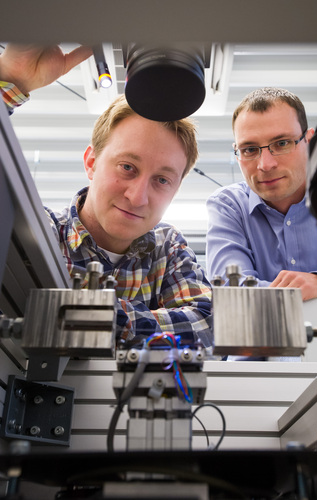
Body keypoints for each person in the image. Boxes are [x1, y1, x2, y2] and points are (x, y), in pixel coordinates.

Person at [0, 44, 212, 346]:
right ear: (91, 162)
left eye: (162, 180)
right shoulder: (39, 232)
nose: (138, 197)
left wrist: (91, 317)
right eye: (127, 166)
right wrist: (12, 80)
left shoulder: (168, 248)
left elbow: (205, 323)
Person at [206, 87, 317, 301]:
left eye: (282, 143)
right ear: (237, 153)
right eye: (250, 150)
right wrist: (297, 291)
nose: (265, 165)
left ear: (309, 141)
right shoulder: (228, 206)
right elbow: (230, 290)